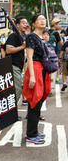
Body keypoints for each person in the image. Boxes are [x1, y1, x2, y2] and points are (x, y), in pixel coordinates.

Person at [22, 14, 51, 145]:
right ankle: (31, 134)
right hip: (36, 70)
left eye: (44, 19)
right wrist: (32, 76)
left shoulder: (41, 37)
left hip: (42, 71)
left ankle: (34, 131)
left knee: (38, 102)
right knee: (34, 101)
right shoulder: (32, 37)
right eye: (39, 19)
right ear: (33, 23)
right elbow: (30, 57)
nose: (42, 21)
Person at [5, 17, 28, 112]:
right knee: (17, 89)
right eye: (23, 23)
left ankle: (10, 110)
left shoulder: (23, 37)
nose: (25, 25)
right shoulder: (13, 36)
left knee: (17, 88)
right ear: (17, 25)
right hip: (13, 66)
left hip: (20, 67)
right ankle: (11, 111)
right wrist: (22, 47)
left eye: (26, 23)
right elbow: (8, 50)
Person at [49, 18, 63, 84]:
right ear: (55, 25)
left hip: (46, 53)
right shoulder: (56, 33)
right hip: (53, 53)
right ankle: (50, 87)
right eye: (59, 24)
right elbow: (62, 44)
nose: (60, 26)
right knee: (53, 70)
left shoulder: (47, 31)